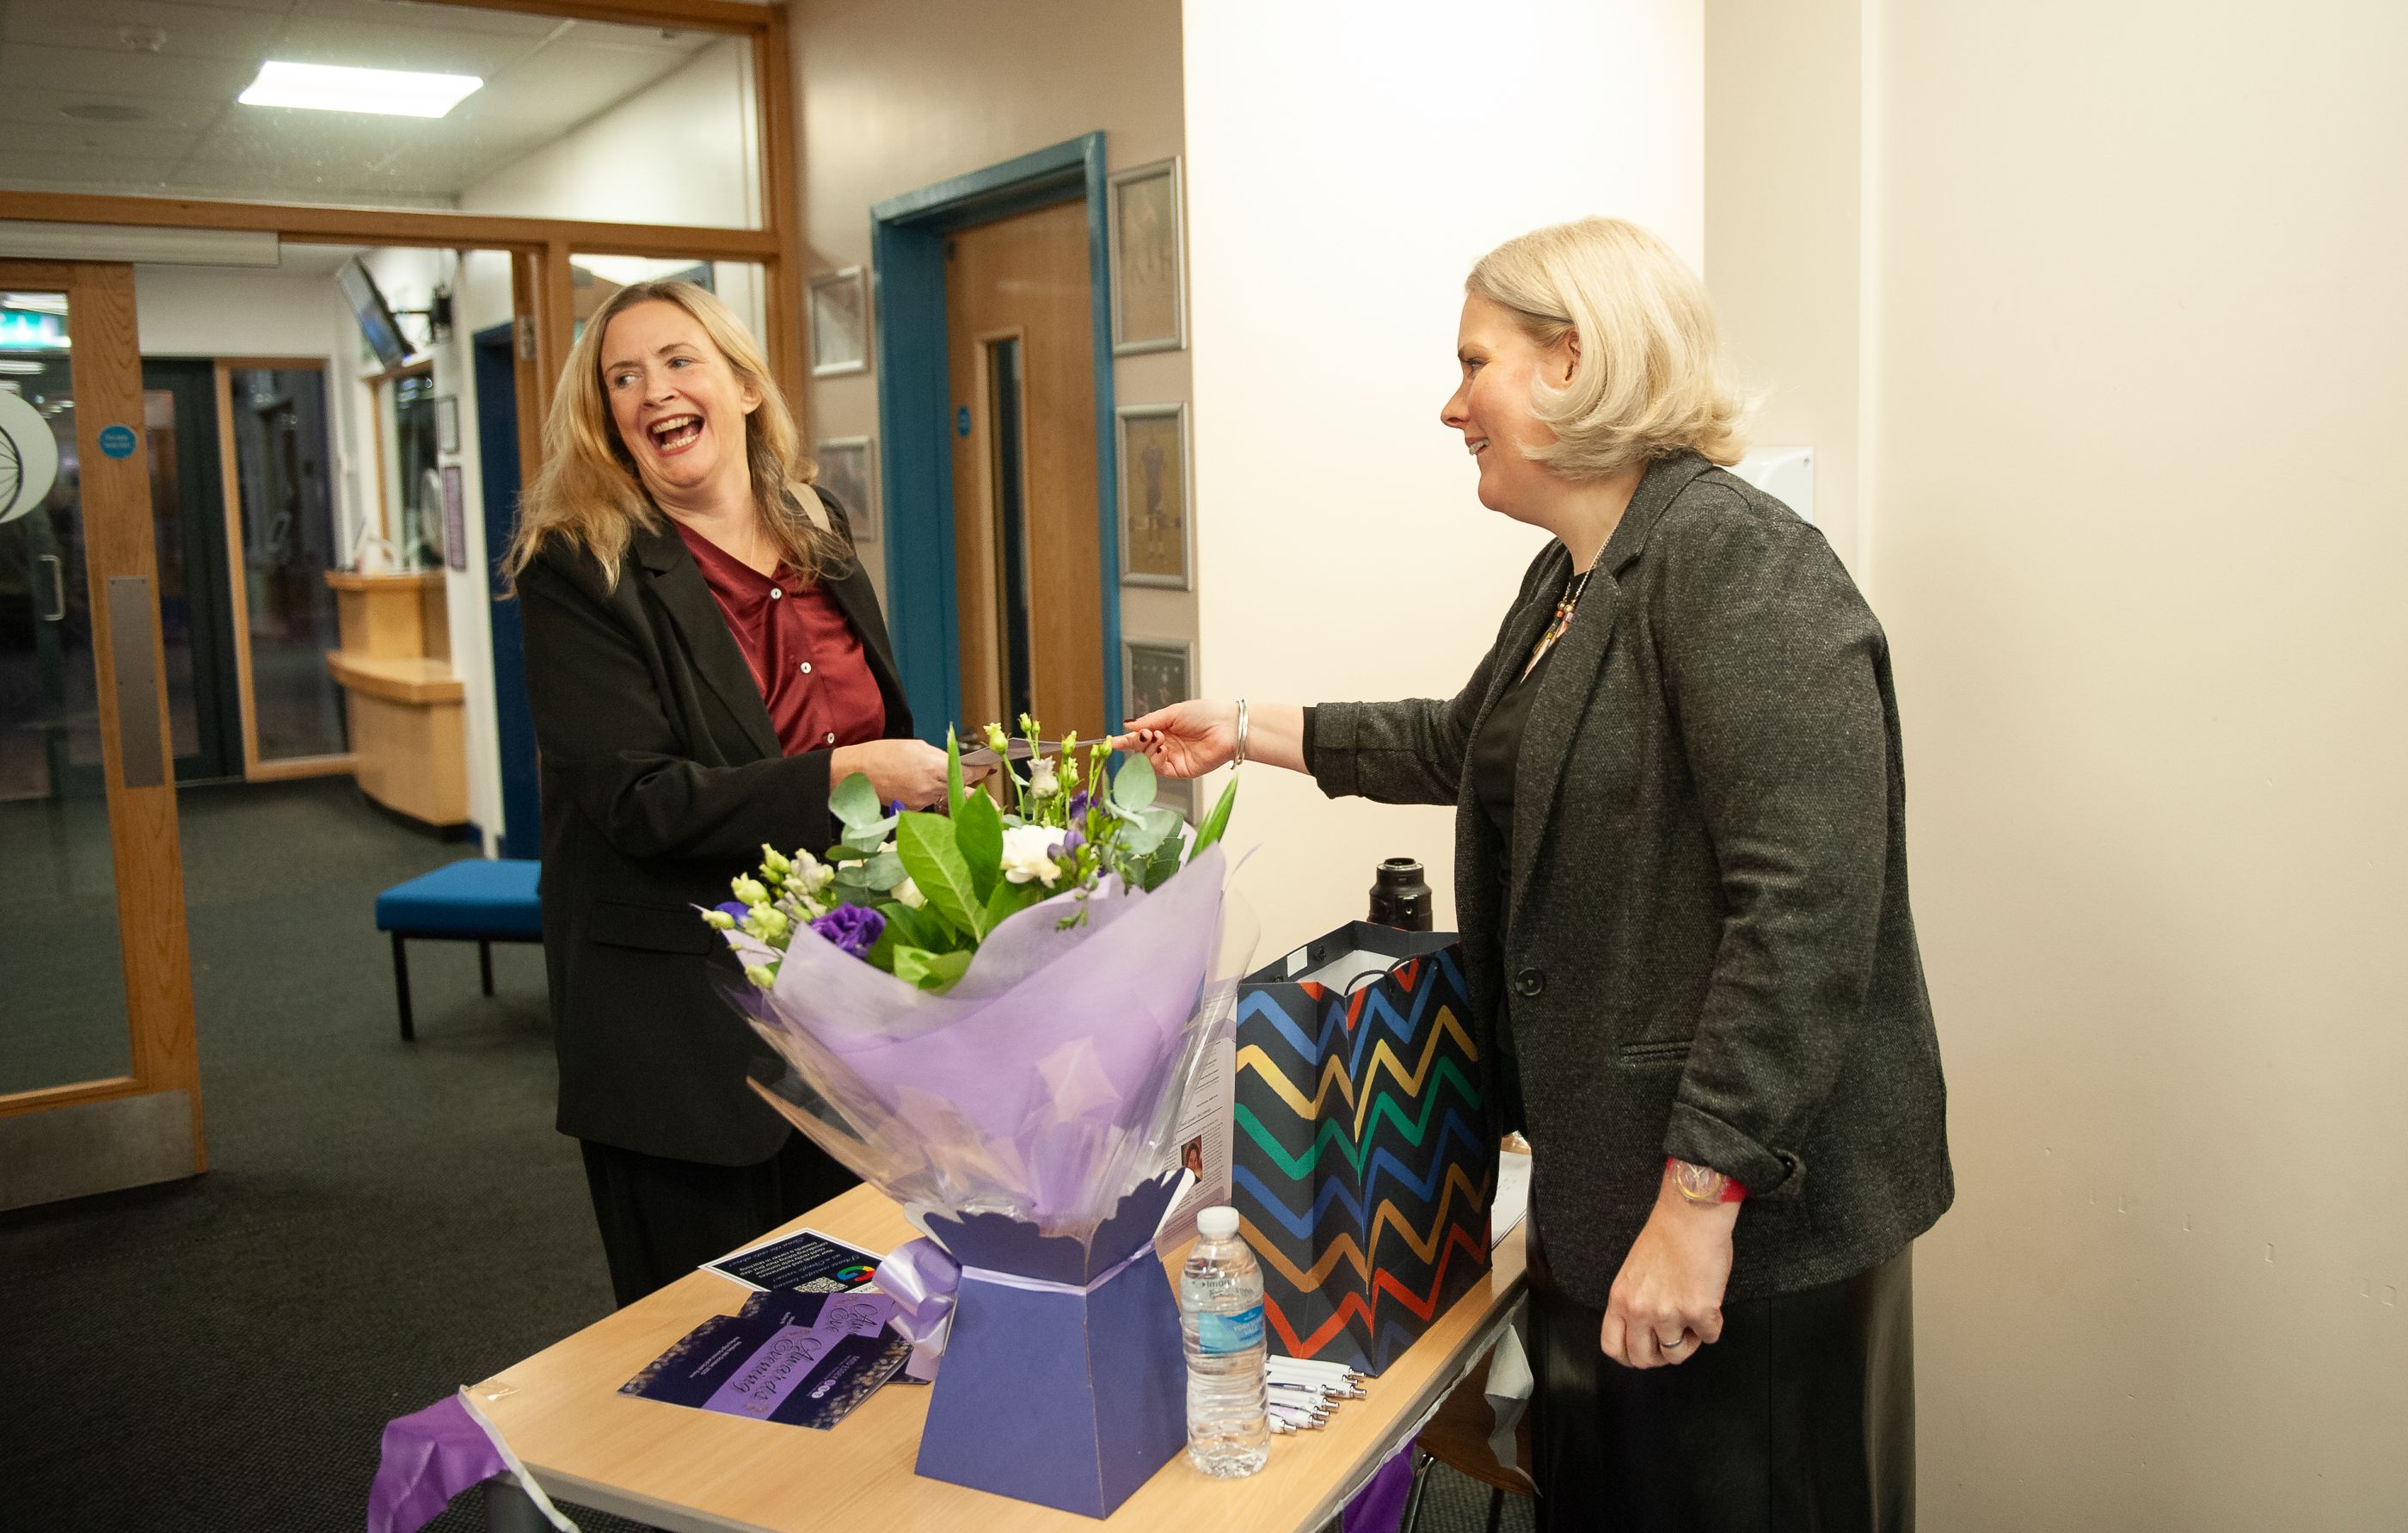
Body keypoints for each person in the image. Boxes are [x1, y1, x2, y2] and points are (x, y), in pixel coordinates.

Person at [1122, 218, 1951, 1531]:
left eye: (1475, 363)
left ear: (1572, 359)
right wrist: (1245, 726)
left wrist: (1701, 1196)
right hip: (1604, 1185)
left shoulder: (1738, 560)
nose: (1452, 406)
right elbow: (1469, 741)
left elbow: (1806, 907)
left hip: (1744, 1230)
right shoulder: (1574, 573)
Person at [507, 280, 954, 1308]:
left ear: (744, 386)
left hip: (849, 1010)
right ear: (606, 417)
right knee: (715, 1343)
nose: (653, 391)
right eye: (624, 378)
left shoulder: (818, 529)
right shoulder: (579, 567)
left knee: (864, 1315)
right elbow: (638, 800)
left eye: (678, 361)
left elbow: (865, 724)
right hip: (683, 1032)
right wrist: (850, 775)